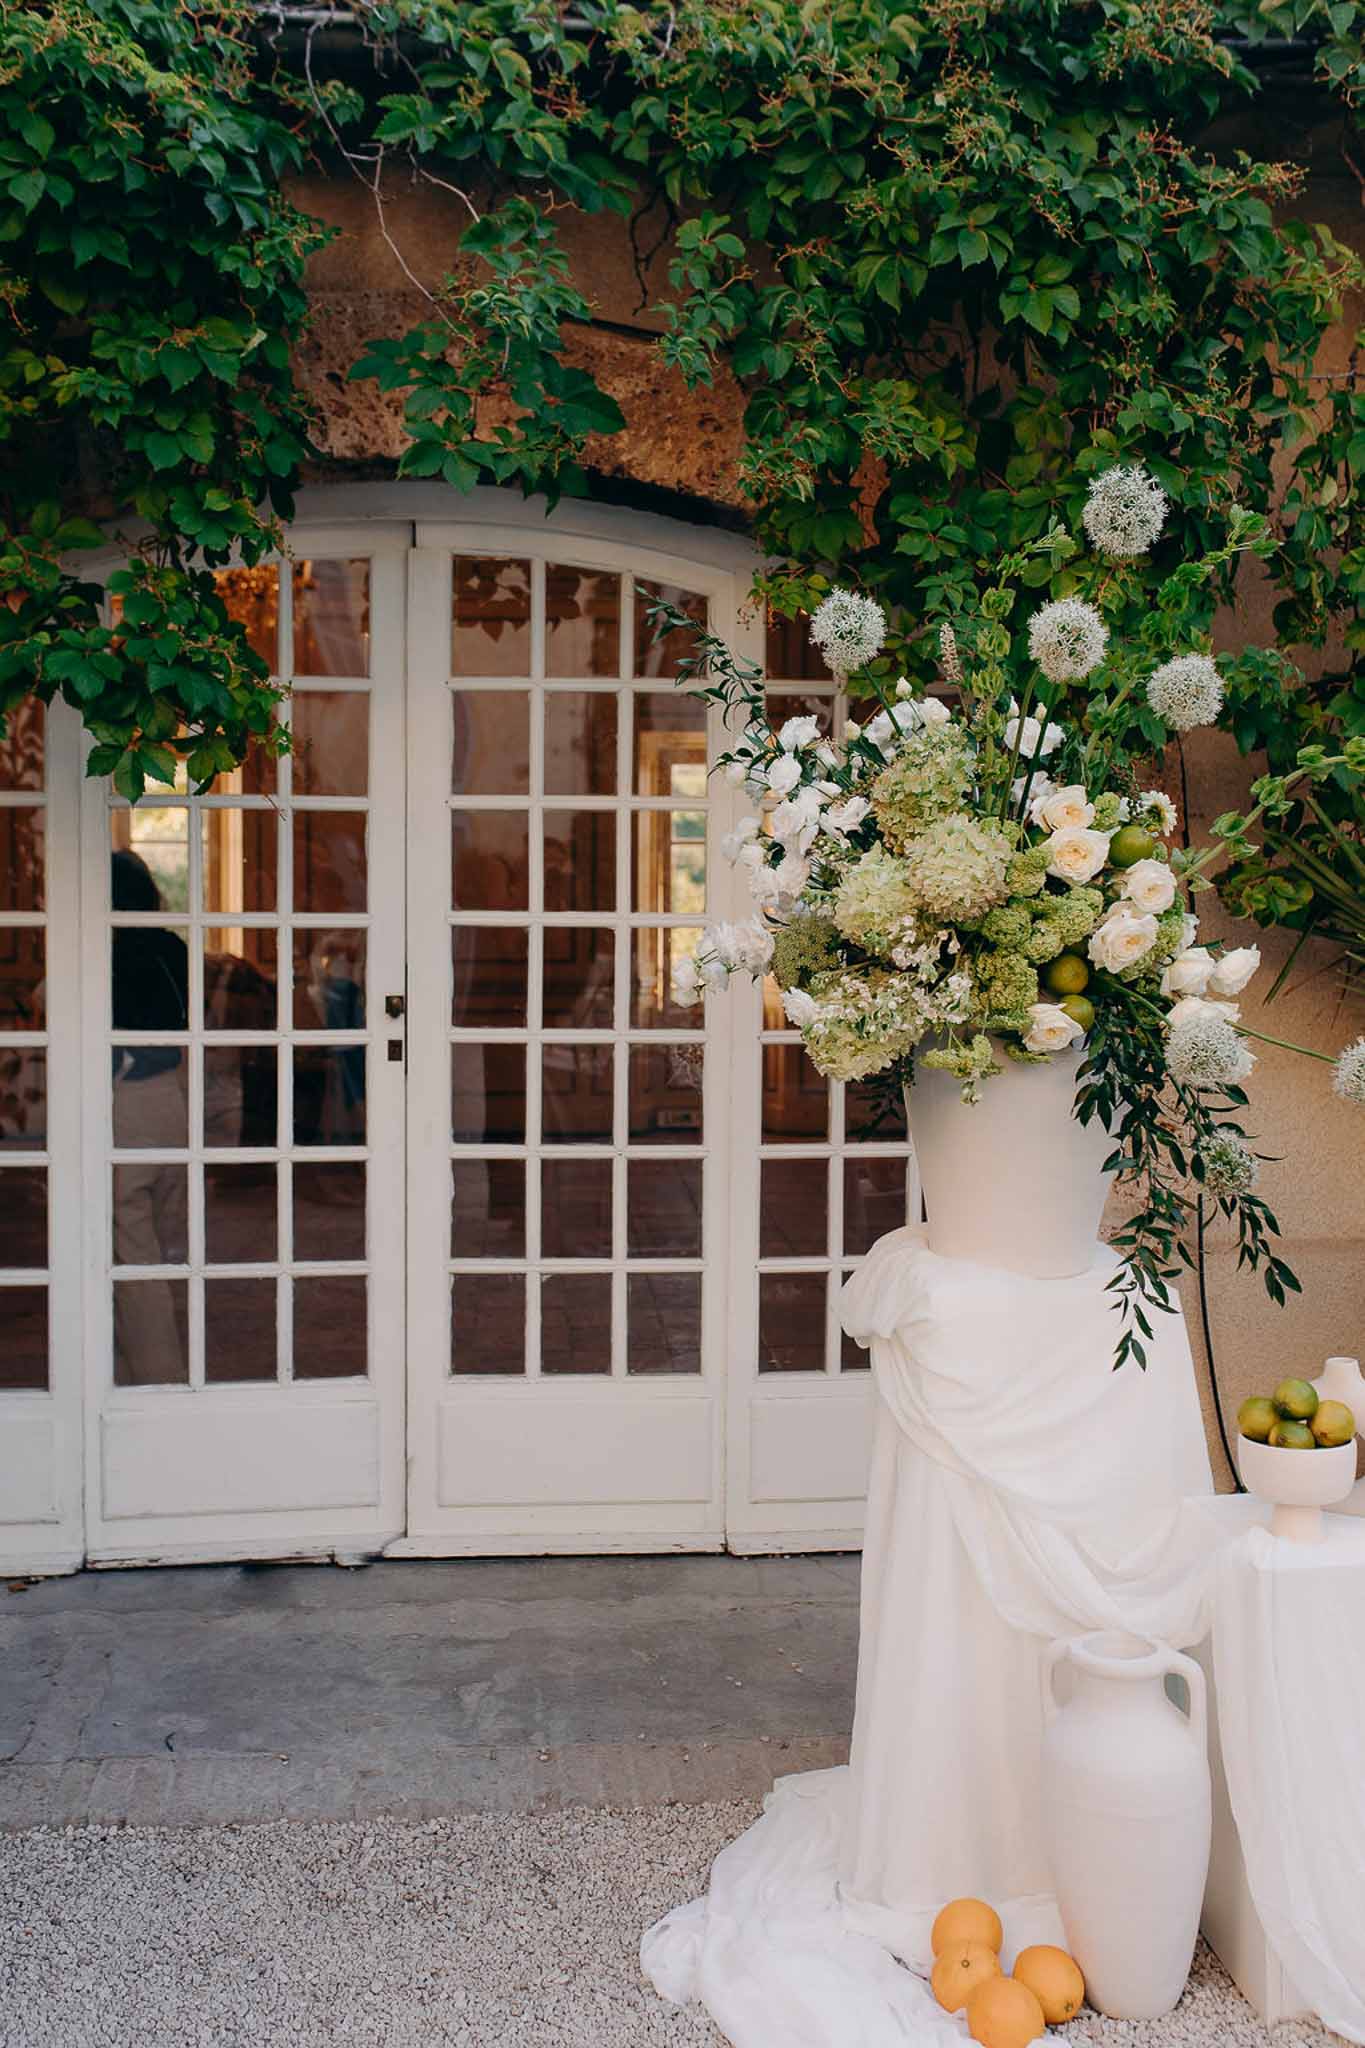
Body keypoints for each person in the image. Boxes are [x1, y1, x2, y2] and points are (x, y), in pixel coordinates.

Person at [110, 851, 189, 1383]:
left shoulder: (106, 952)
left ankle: (155, 1376)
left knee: (131, 1250)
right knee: (161, 1243)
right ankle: (130, 1368)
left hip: (127, 1101)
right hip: (172, 1101)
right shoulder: (173, 948)